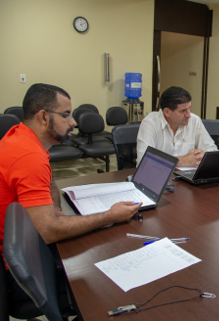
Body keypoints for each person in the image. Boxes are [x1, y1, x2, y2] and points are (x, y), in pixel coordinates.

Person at [0, 83, 142, 267]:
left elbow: (49, 183)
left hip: (24, 241)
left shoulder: (22, 137)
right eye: (66, 115)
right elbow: (48, 232)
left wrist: (55, 212)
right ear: (43, 116)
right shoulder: (29, 156)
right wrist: (109, 216)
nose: (73, 122)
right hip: (23, 260)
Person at [136, 86, 217, 167]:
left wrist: (203, 155)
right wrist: (183, 161)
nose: (188, 115)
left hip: (187, 176)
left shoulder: (194, 120)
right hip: (158, 176)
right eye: (183, 111)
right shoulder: (150, 123)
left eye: (189, 108)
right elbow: (144, 161)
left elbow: (211, 149)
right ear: (167, 112)